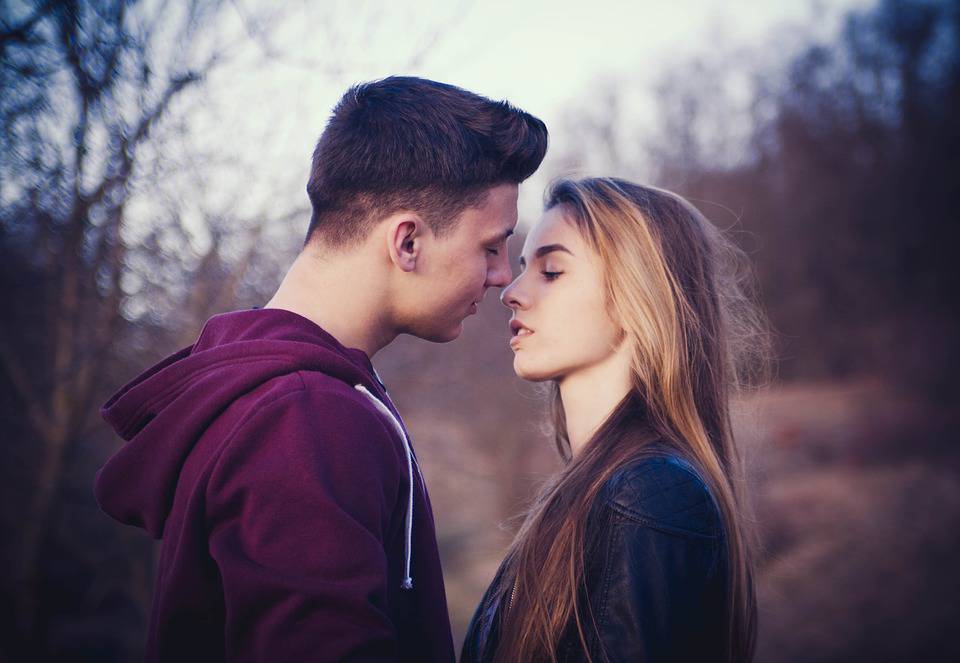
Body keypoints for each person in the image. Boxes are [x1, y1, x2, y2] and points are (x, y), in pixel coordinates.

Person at [93, 76, 547, 663]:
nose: (499, 275)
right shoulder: (306, 417)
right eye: (490, 246)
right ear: (407, 242)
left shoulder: (285, 396)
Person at [461, 177, 770, 662]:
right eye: (524, 268)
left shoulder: (650, 494)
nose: (511, 292)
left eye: (552, 271)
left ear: (637, 294)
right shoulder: (600, 491)